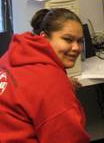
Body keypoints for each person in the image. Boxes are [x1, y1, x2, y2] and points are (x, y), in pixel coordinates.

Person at [0, 8, 90, 142]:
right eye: (68, 39)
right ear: (44, 37)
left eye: (80, 41)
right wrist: (58, 86)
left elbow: (26, 85)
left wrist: (61, 81)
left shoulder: (16, 53)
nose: (76, 48)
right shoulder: (52, 86)